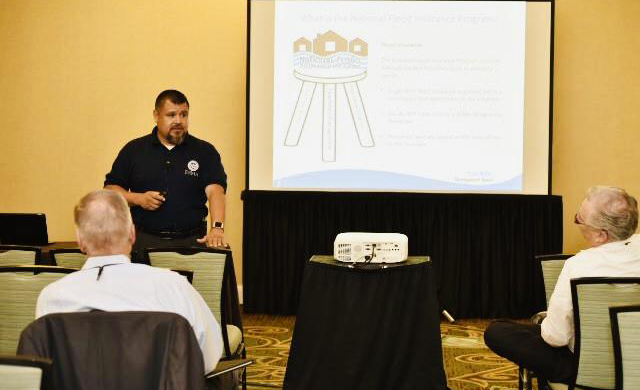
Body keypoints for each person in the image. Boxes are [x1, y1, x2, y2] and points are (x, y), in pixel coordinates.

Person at [36, 189, 224, 373]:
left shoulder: (52, 297)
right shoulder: (173, 286)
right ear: (132, 234)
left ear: (80, 241)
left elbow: (46, 369)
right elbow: (207, 358)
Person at [484, 185, 640, 385]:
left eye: (579, 219)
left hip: (586, 364)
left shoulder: (579, 265)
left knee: (498, 331)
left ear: (601, 235)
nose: (577, 222)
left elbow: (555, 338)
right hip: (635, 357)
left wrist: (546, 322)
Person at [104, 89, 227, 259]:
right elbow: (110, 191)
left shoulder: (205, 151)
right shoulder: (134, 150)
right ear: (156, 116)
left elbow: (216, 191)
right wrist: (138, 199)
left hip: (191, 242)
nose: (179, 121)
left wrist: (217, 228)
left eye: (184, 115)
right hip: (144, 241)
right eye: (171, 115)